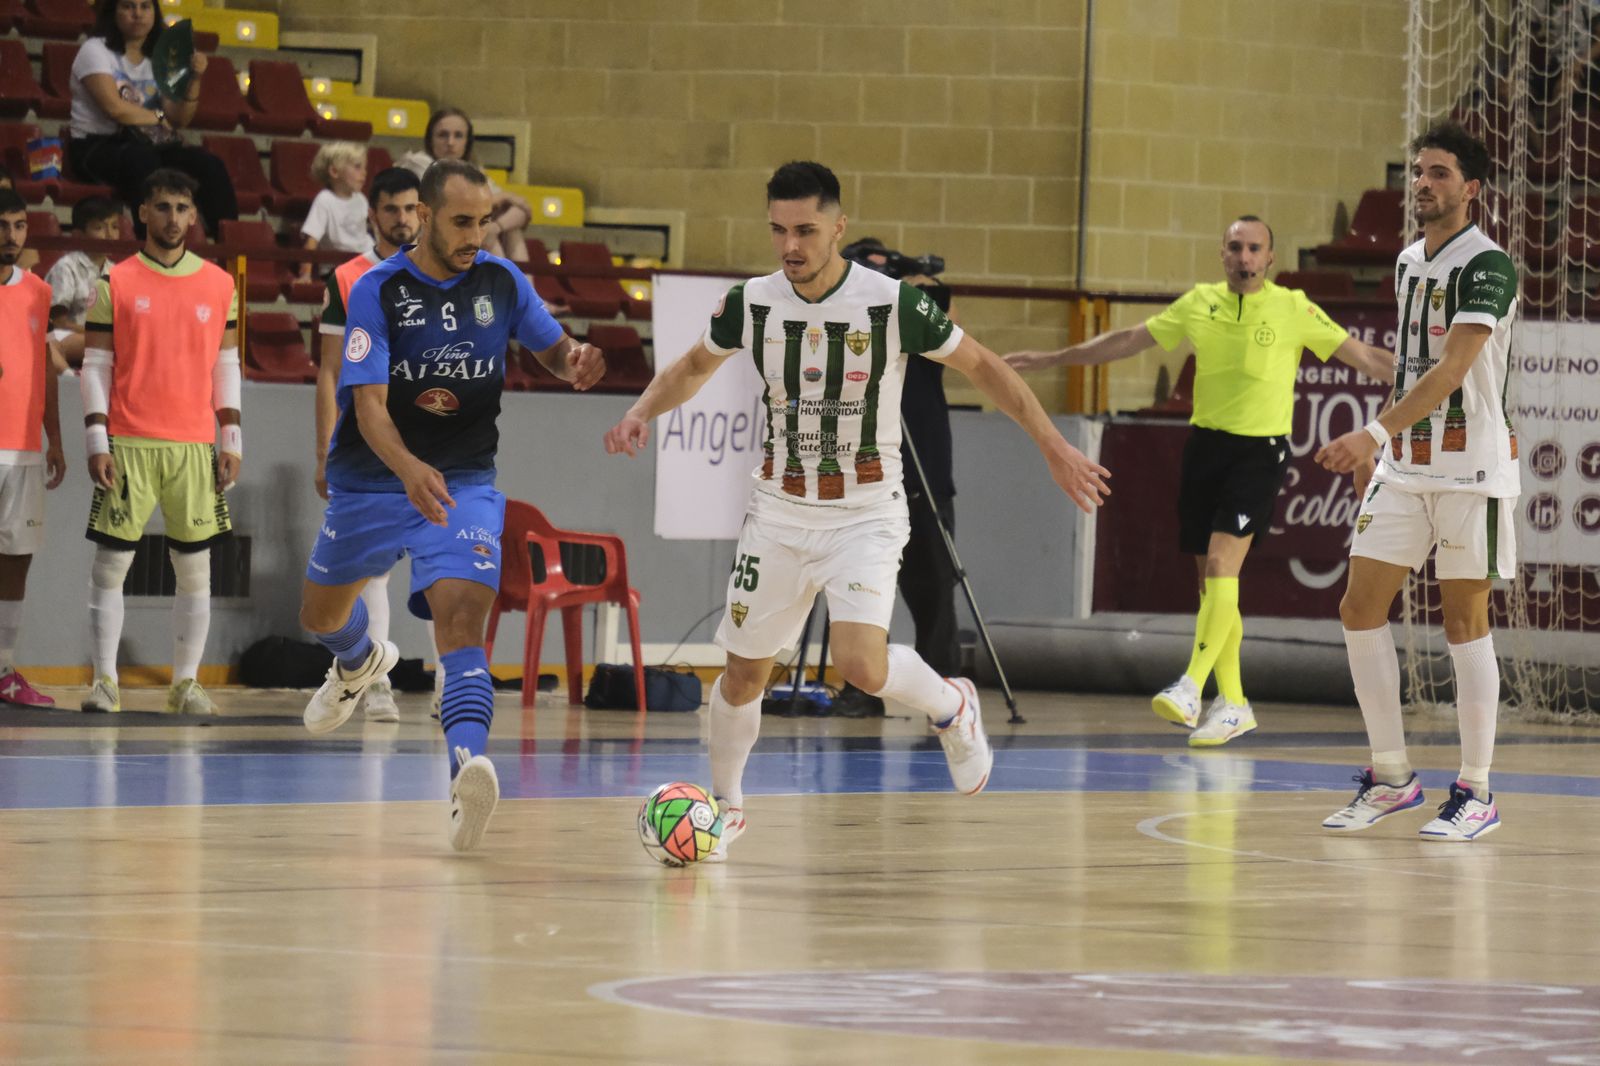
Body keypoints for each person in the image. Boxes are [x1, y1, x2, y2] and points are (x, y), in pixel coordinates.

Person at [603, 161, 1111, 861]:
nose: (791, 245)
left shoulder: (893, 303)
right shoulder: (751, 302)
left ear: (838, 227)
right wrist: (640, 411)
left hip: (865, 514)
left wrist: (1053, 446)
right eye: (779, 230)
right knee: (743, 674)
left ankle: (952, 705)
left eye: (806, 230)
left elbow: (984, 366)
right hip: (779, 511)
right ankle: (727, 808)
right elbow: (693, 366)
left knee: (860, 666)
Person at [298, 159, 604, 852]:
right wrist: (407, 468)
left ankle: (467, 774)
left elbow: (556, 351)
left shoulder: (502, 280)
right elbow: (368, 407)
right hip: (375, 477)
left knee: (463, 619)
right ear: (424, 216)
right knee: (319, 615)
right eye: (463, 222)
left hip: (462, 481)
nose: (477, 235)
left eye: (485, 220)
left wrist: (578, 361)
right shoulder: (376, 290)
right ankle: (357, 661)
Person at [1005, 217, 1394, 747]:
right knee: (1212, 588)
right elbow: (1128, 340)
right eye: (1235, 247)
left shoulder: (1292, 307)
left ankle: (1192, 684)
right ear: (1222, 254)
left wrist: (1427, 375)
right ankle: (1233, 703)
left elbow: (1365, 357)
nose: (1244, 257)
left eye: (1254, 248)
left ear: (1270, 258)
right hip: (1205, 449)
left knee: (1220, 567)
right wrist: (1054, 358)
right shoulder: (1199, 302)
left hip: (1260, 453)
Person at [1315, 120, 1518, 842]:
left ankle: (1477, 791)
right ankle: (1392, 777)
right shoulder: (1407, 261)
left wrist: (1371, 433)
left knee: (1465, 624)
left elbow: (1452, 370)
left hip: (1471, 471)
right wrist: (1382, 449)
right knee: (1358, 607)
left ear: (1471, 188)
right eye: (1419, 172)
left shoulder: (1489, 265)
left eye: (1439, 173)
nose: (1424, 184)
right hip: (1404, 468)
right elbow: (1407, 367)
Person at [79, 168, 240, 715]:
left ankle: (185, 684)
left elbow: (226, 364)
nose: (174, 217)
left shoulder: (220, 284)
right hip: (128, 442)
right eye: (163, 206)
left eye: (182, 208)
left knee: (196, 571)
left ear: (194, 216)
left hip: (194, 446)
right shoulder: (115, 281)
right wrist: (97, 438)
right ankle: (105, 681)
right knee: (111, 566)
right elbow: (95, 364)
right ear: (142, 213)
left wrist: (231, 438)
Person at [312, 165, 424, 723]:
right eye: (391, 209)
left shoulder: (445, 275)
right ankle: (377, 684)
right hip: (368, 444)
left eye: (410, 208)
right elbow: (330, 371)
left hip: (433, 440)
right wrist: (323, 452)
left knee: (444, 563)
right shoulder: (347, 279)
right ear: (372, 215)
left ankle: (450, 689)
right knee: (373, 569)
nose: (402, 219)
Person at [831, 237, 960, 718]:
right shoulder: (842, 316)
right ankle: (859, 689)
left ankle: (945, 692)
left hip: (924, 467)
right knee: (859, 590)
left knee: (935, 588)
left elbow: (944, 310)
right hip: (862, 477)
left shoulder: (914, 310)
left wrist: (904, 274)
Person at [67, 0, 237, 239]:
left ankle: (230, 247)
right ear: (114, 12)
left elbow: (178, 119)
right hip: (96, 146)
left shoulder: (160, 56)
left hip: (147, 144)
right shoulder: (95, 50)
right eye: (128, 7)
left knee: (209, 165)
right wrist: (157, 117)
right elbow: (114, 109)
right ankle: (151, 242)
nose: (137, 14)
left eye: (145, 7)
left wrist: (194, 79)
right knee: (143, 162)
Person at [0, 190, 67, 708]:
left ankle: (3, 670)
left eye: (19, 225)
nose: (11, 236)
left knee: (16, 560)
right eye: (3, 225)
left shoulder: (39, 292)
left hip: (23, 448)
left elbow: (45, 368)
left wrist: (56, 439)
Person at [399, 109, 530, 262]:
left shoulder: (471, 170)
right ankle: (504, 276)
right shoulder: (417, 164)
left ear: (467, 142)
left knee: (507, 228)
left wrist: (497, 227)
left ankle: (523, 278)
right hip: (429, 236)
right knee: (482, 231)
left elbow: (522, 210)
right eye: (443, 135)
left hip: (462, 234)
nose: (450, 142)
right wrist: (504, 197)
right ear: (430, 140)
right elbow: (454, 204)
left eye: (458, 136)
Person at [46, 195, 124, 369]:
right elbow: (58, 322)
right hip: (66, 336)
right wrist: (100, 333)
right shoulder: (66, 267)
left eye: (114, 227)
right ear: (78, 235)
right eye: (99, 228)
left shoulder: (116, 270)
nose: (110, 235)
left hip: (102, 337)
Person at [299, 142, 373, 281]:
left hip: (366, 261)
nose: (364, 172)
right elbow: (311, 240)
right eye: (357, 167)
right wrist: (305, 274)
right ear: (334, 172)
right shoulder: (324, 200)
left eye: (365, 167)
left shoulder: (361, 199)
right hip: (338, 266)